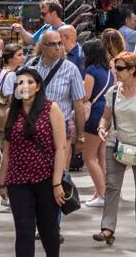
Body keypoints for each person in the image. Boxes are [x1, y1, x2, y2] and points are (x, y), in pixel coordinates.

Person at [0, 67, 68, 257]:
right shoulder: (12, 113)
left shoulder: (51, 109)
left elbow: (61, 147)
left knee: (48, 230)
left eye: (29, 82)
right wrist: (2, 180)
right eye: (20, 82)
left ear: (38, 86)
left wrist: (57, 182)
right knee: (24, 232)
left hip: (46, 179)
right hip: (19, 180)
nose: (24, 86)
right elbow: (7, 150)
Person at [95, 52, 136, 245]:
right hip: (115, 143)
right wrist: (101, 128)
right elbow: (106, 117)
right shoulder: (113, 92)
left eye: (120, 68)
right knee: (112, 186)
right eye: (115, 67)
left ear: (133, 70)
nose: (116, 71)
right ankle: (107, 228)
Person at [25, 28, 88, 176]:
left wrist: (80, 136)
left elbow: (79, 106)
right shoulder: (30, 66)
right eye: (53, 44)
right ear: (43, 46)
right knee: (35, 172)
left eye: (60, 43)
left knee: (60, 175)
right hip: (34, 127)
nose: (58, 48)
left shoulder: (71, 69)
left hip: (61, 128)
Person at [80, 39, 113, 208]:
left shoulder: (92, 70)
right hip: (106, 113)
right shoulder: (109, 70)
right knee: (101, 156)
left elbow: (85, 95)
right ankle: (99, 192)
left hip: (94, 114)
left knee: (89, 157)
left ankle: (102, 193)